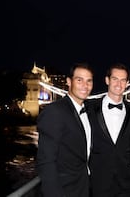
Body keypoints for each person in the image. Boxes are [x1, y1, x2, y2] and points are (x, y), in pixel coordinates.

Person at [36, 63, 94, 197]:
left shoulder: (89, 110)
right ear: (69, 82)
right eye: (79, 80)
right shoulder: (54, 111)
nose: (85, 86)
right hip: (64, 191)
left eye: (89, 81)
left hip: (84, 188)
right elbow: (46, 162)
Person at [88, 63, 130, 197]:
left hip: (126, 184)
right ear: (107, 80)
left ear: (127, 83)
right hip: (98, 183)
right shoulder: (89, 109)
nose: (118, 84)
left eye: (123, 80)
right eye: (115, 79)